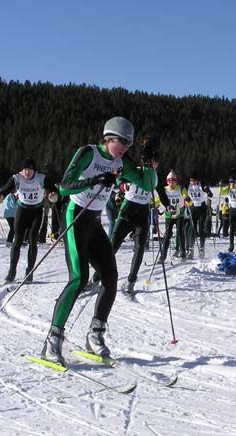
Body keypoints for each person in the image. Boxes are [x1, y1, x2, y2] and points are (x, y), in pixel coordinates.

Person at [41, 116, 144, 365]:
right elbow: (64, 187)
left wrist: (149, 163)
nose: (126, 147)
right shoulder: (88, 153)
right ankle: (52, 340)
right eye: (122, 142)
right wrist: (93, 180)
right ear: (109, 138)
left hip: (95, 222)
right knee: (79, 278)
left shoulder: (121, 162)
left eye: (129, 144)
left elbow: (147, 184)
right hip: (75, 216)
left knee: (110, 278)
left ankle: (95, 335)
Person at [107, 137, 158, 295]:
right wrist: (122, 185)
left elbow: (161, 192)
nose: (153, 165)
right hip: (128, 210)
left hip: (143, 212)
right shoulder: (135, 170)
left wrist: (164, 204)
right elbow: (118, 181)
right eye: (151, 162)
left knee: (140, 247)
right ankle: (96, 277)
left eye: (156, 163)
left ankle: (131, 280)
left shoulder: (154, 176)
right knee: (112, 245)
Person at [0, 158, 47, 283]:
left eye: (30, 170)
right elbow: (7, 187)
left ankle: (29, 272)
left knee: (32, 240)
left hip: (36, 211)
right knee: (17, 240)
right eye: (25, 170)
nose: (27, 173)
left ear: (33, 170)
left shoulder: (41, 178)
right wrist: (2, 195)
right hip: (22, 210)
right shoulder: (17, 178)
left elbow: (53, 186)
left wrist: (53, 194)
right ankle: (11, 272)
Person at [159, 170, 188, 261]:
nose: (171, 183)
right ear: (167, 181)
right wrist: (154, 204)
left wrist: (187, 199)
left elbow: (185, 195)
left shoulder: (180, 188)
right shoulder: (164, 190)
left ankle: (183, 252)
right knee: (167, 235)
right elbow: (158, 199)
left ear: (176, 181)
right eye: (169, 181)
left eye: (173, 181)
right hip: (169, 215)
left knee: (180, 232)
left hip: (180, 214)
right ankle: (163, 255)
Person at [186, 172, 213, 258]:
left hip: (201, 208)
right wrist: (187, 198)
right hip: (193, 208)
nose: (192, 182)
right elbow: (186, 195)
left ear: (197, 180)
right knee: (192, 229)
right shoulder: (188, 186)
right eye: (191, 181)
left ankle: (201, 249)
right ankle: (191, 250)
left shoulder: (202, 184)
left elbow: (208, 191)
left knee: (201, 229)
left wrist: (208, 192)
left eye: (194, 181)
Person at [220, 178, 236, 252]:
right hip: (232, 209)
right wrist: (220, 186)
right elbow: (222, 192)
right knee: (232, 228)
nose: (232, 185)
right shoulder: (228, 189)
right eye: (231, 183)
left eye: (233, 183)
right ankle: (231, 245)